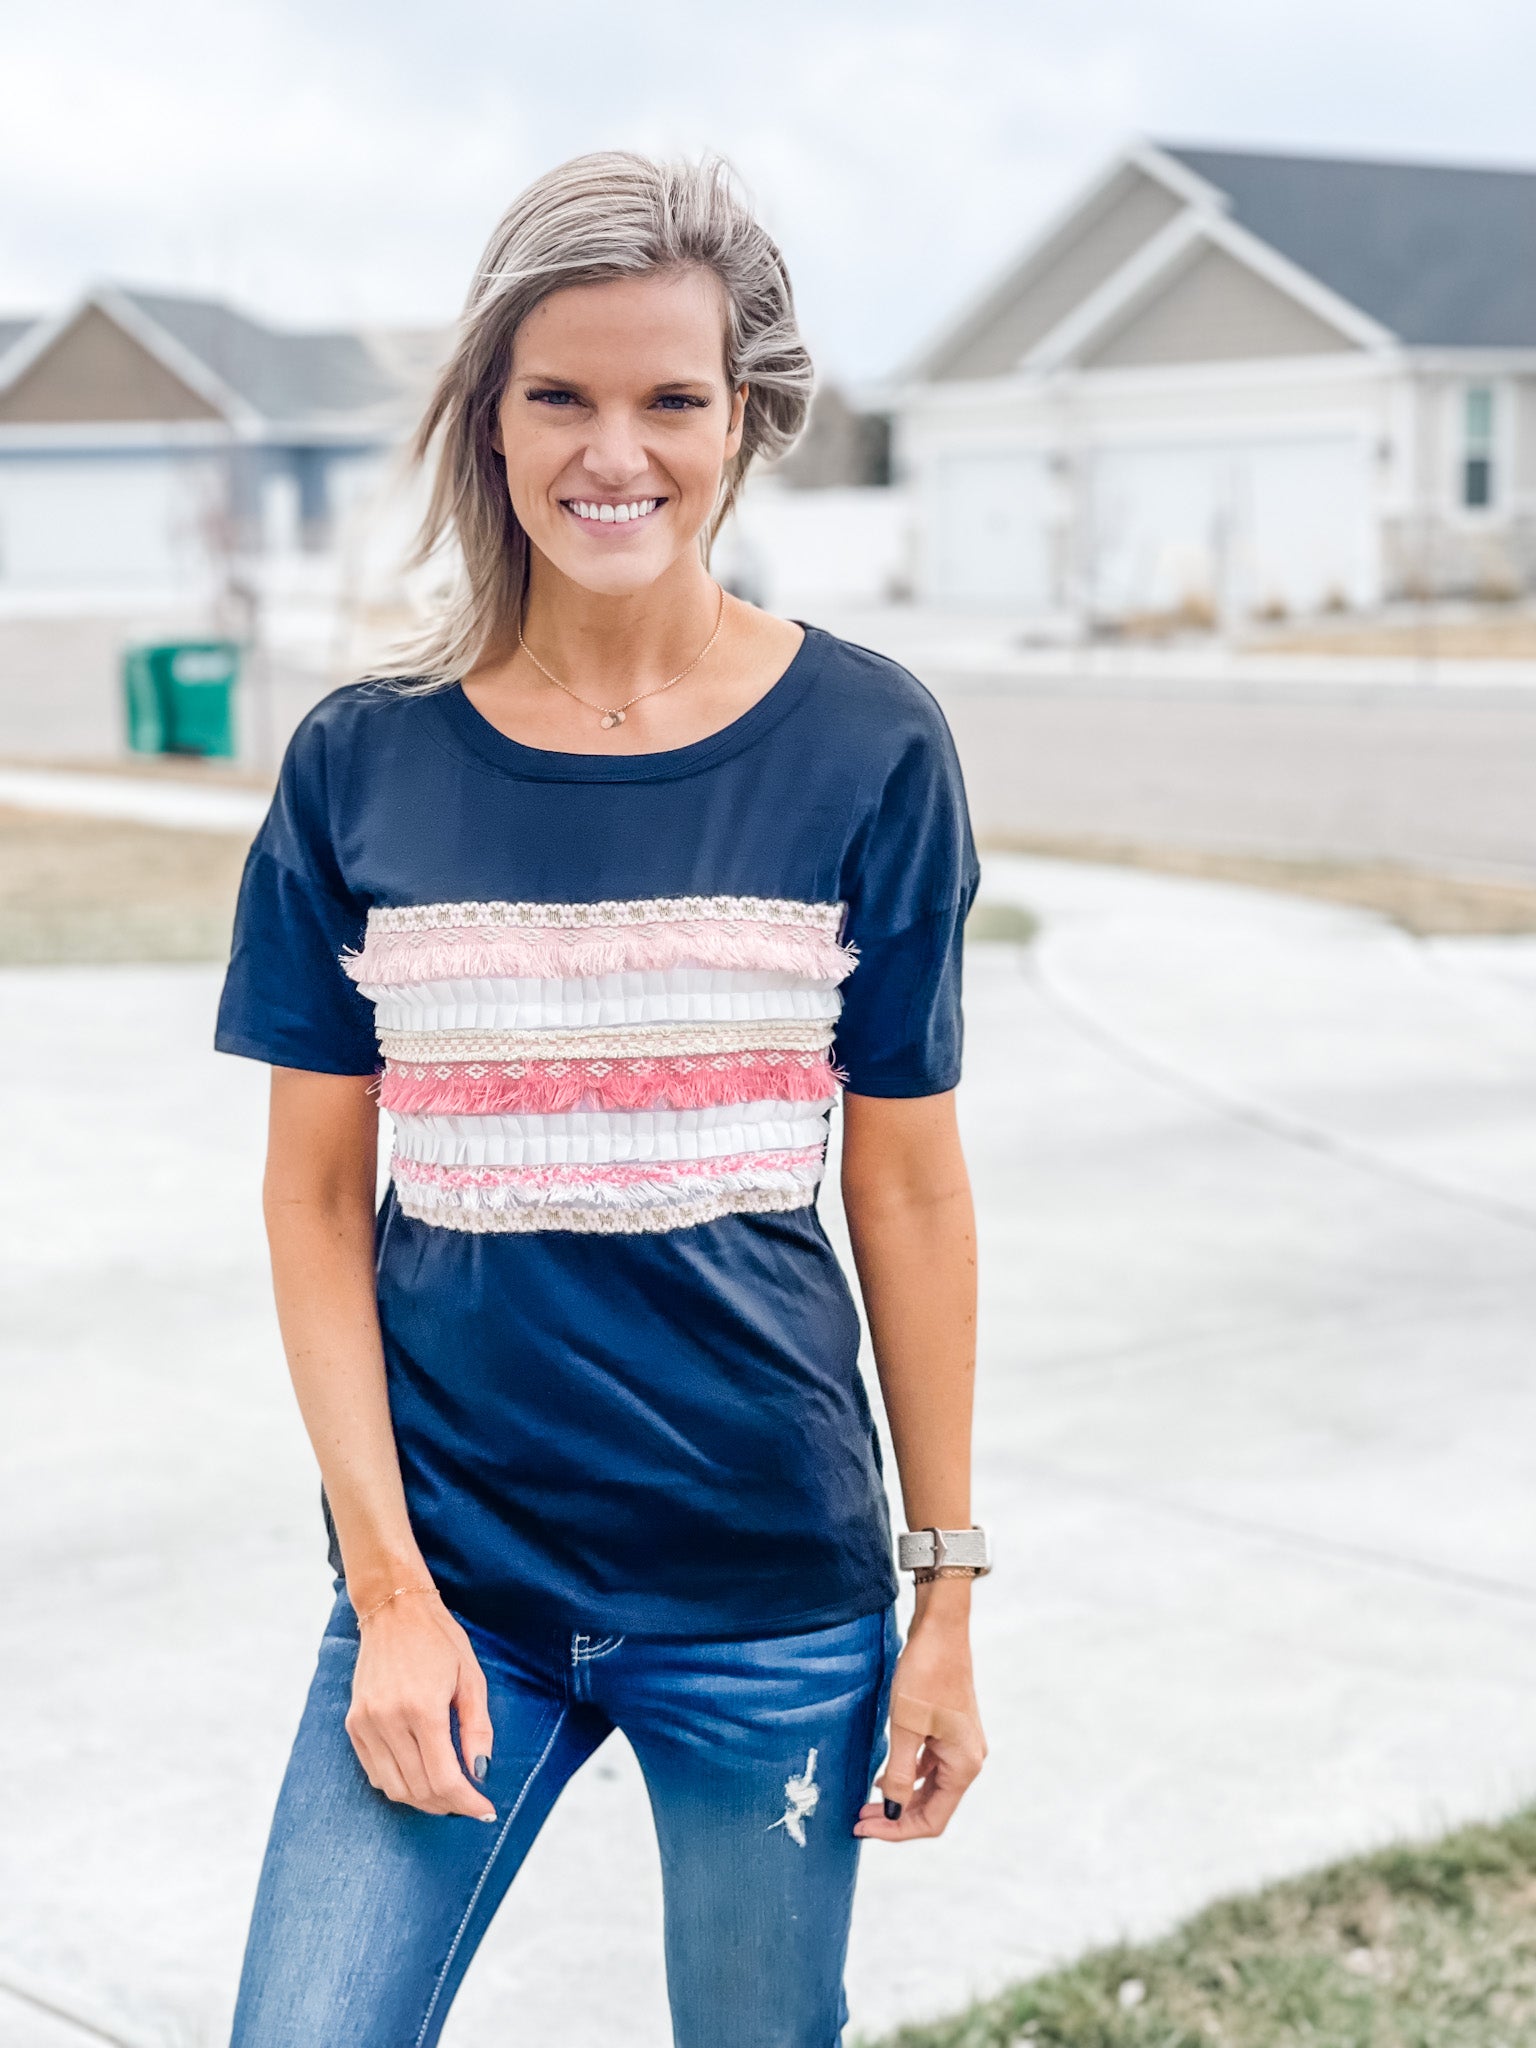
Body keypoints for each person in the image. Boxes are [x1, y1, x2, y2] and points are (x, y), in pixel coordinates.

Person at [216, 150, 987, 2048]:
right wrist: (391, 1594)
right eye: (558, 394)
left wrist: (947, 1594)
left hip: (769, 1600)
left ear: (746, 421)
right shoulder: (362, 765)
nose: (612, 452)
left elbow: (907, 1189)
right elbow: (312, 1201)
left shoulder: (870, 743)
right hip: (453, 1585)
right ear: (490, 418)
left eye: (671, 400)